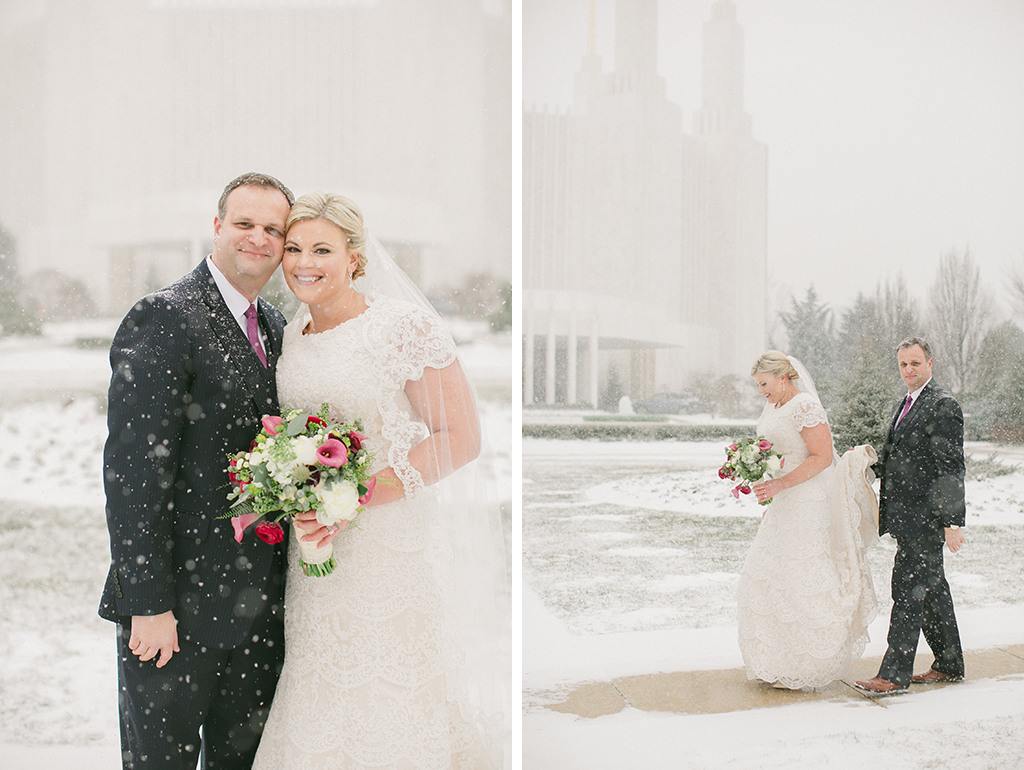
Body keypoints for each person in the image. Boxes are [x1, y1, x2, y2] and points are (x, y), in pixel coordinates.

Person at [251, 193, 508, 769]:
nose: (303, 263)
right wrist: (297, 490)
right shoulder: (293, 333)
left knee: (388, 686)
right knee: (323, 679)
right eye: (293, 249)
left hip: (387, 545)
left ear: (355, 258)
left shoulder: (401, 326)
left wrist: (352, 495)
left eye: (322, 249)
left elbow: (458, 436)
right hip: (314, 550)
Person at [99, 172, 296, 768]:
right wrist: (149, 603)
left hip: (260, 614)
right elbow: (133, 474)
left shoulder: (279, 329)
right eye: (244, 223)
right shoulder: (164, 317)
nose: (258, 239)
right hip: (176, 613)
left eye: (273, 229)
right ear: (217, 227)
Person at [737, 351, 877, 690]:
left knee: (801, 574)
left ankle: (812, 660)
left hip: (807, 498)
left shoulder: (804, 406)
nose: (761, 392)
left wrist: (782, 482)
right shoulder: (774, 406)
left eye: (764, 384)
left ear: (783, 378)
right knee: (770, 573)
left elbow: (823, 456)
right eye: (758, 386)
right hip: (783, 499)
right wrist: (763, 474)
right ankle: (781, 660)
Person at [855, 337, 967, 696]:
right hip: (906, 517)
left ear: (930, 364)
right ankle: (949, 664)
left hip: (926, 520)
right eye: (903, 364)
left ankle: (893, 674)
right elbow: (900, 457)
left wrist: (953, 523)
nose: (909, 370)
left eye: (915, 363)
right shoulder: (902, 403)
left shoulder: (943, 405)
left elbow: (951, 468)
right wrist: (864, 465)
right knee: (932, 591)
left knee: (907, 592)